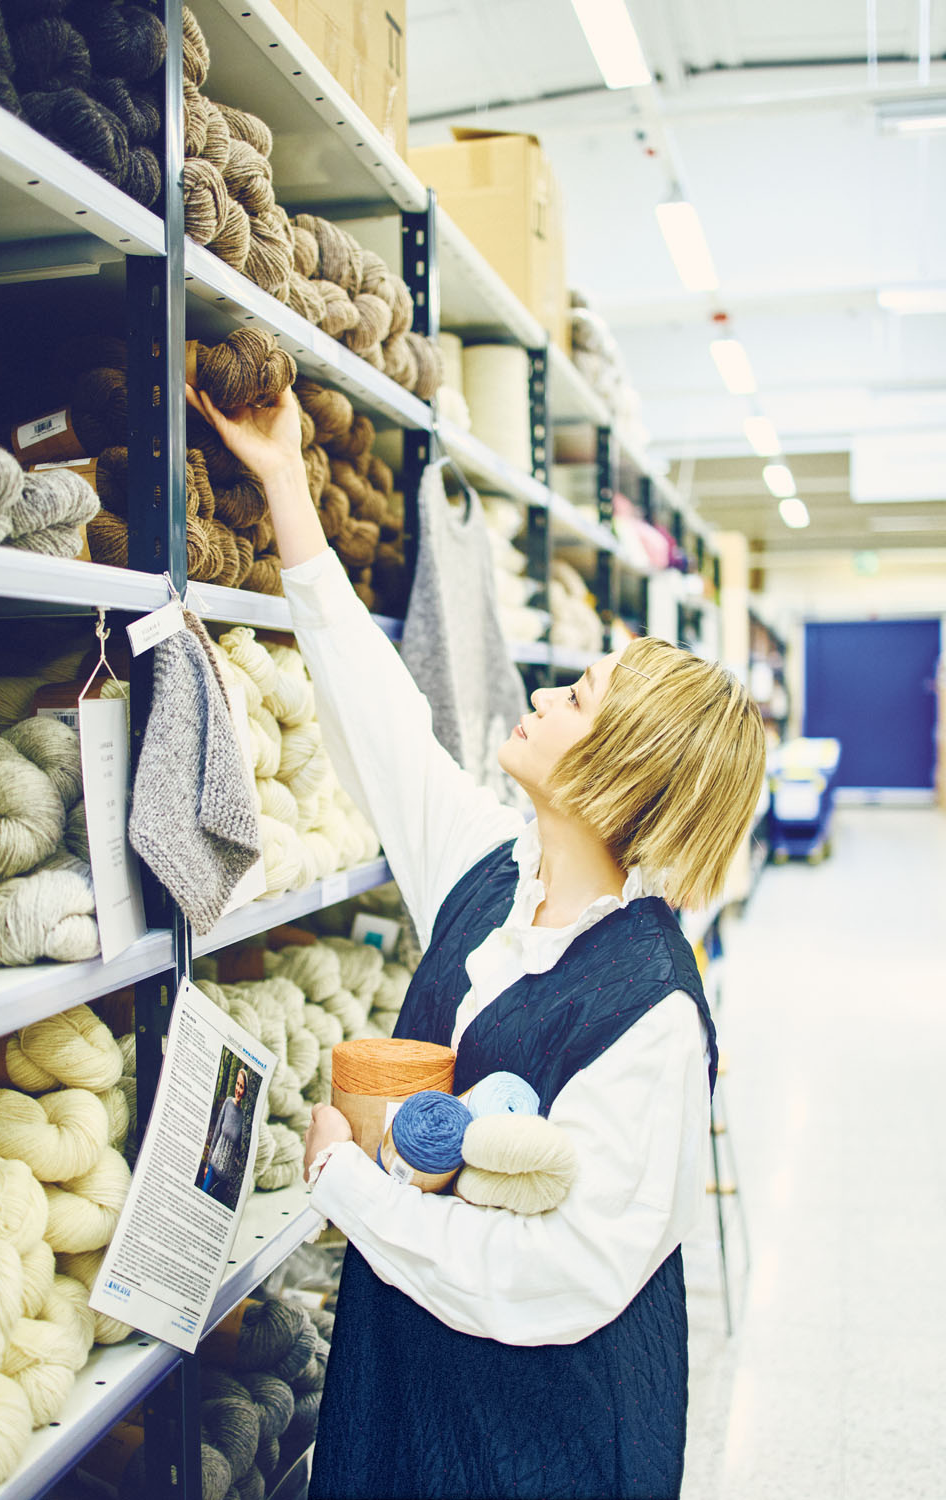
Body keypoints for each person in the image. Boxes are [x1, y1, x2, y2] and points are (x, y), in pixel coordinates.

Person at [186, 381, 766, 1500]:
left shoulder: (651, 1009)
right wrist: (285, 481)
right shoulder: (495, 876)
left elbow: (566, 1275)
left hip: (543, 1436)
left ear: (618, 775)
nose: (544, 696)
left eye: (578, 698)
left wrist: (347, 1185)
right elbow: (385, 731)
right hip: (416, 1378)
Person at [201, 1066, 247, 1196]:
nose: (238, 1089)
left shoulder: (244, 1117)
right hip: (213, 1167)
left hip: (225, 1178)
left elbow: (239, 1150)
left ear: (245, 1091)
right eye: (237, 1084)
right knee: (203, 1193)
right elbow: (216, 1134)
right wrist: (207, 1165)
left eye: (242, 1087)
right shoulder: (227, 1103)